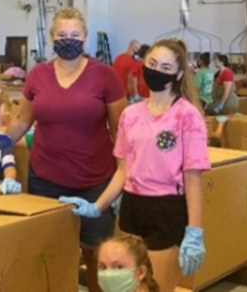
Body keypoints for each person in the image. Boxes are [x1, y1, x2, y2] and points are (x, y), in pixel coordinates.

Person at [61, 38, 209, 291]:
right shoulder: (130, 115)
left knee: (156, 287)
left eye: (165, 67)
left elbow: (192, 178)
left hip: (166, 211)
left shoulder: (187, 116)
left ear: (178, 75)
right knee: (127, 288)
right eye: (152, 63)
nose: (157, 71)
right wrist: (97, 206)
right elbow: (123, 171)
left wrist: (194, 231)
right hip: (131, 209)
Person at [6, 7, 127, 292]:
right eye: (62, 35)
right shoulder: (38, 75)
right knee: (51, 254)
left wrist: (124, 178)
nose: (68, 40)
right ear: (52, 38)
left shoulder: (105, 76)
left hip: (94, 181)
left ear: (85, 38)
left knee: (98, 257)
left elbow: (120, 131)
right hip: (45, 179)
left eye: (74, 34)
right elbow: (22, 120)